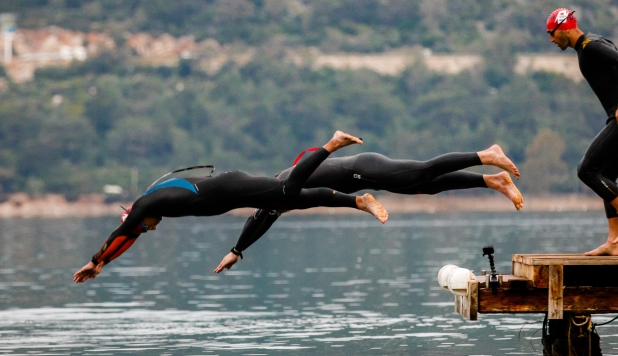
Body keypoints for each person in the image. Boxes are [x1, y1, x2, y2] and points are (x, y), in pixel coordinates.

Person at [73, 131, 388, 283]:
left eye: (146, 225)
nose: (150, 228)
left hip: (229, 186)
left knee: (287, 189)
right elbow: (129, 234)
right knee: (292, 200)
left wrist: (96, 260)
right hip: (233, 197)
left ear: (137, 216)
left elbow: (125, 231)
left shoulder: (147, 203)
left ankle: (331, 145)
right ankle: (358, 201)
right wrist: (102, 264)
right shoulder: (156, 206)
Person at [214, 144, 523, 273]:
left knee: (422, 172)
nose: (270, 213)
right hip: (366, 177)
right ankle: (492, 181)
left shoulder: (284, 186)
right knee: (425, 185)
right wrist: (237, 251)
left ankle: (486, 155)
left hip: (362, 169)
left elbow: (322, 194)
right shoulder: (274, 199)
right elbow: (258, 220)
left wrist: (358, 204)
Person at [547, 8, 618, 256]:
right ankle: (614, 243)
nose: (551, 39)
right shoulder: (592, 42)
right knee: (606, 178)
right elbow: (615, 72)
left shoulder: (589, 45)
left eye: (552, 33)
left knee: (586, 170)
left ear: (565, 28)